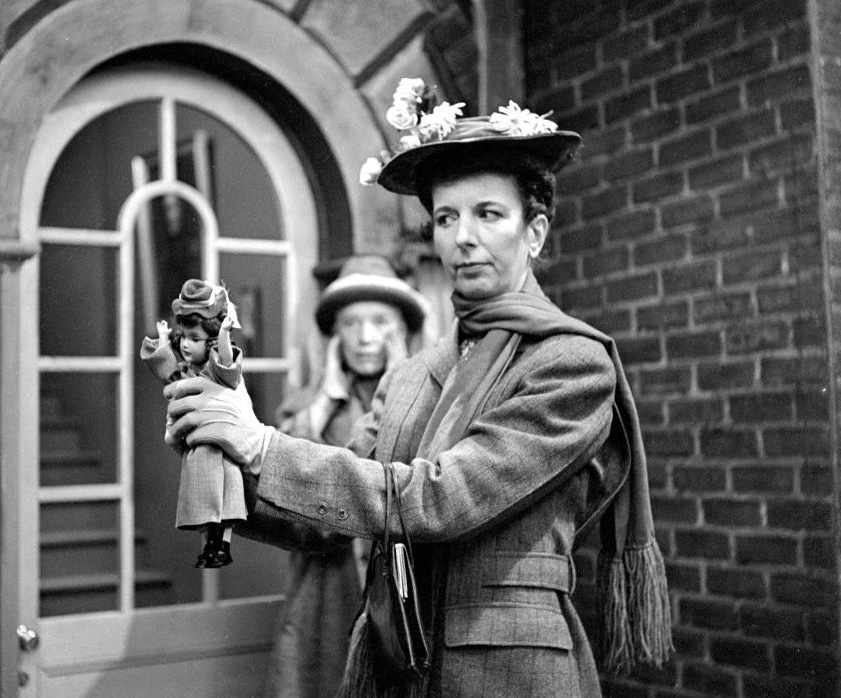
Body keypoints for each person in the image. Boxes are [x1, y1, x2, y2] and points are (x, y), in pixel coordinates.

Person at [165, 78, 673, 696]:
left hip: (509, 674)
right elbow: (332, 520)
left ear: (533, 233)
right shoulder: (411, 374)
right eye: (445, 218)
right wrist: (219, 448)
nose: (463, 236)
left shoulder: (571, 363)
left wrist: (264, 446)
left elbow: (443, 500)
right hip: (397, 666)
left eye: (489, 214)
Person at [267, 255, 429, 698]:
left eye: (380, 322)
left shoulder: (433, 404)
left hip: (401, 599)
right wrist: (326, 398)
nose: (364, 337)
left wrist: (402, 385)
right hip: (326, 596)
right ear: (335, 335)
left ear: (402, 331)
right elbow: (288, 490)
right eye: (350, 324)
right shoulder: (305, 407)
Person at [141, 279, 244, 568]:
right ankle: (211, 547)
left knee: (223, 504)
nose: (186, 344)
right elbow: (167, 370)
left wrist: (224, 333)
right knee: (204, 504)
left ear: (209, 341)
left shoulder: (215, 372)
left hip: (220, 450)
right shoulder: (187, 372)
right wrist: (163, 339)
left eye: (195, 338)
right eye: (184, 336)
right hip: (197, 450)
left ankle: (222, 547)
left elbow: (226, 359)